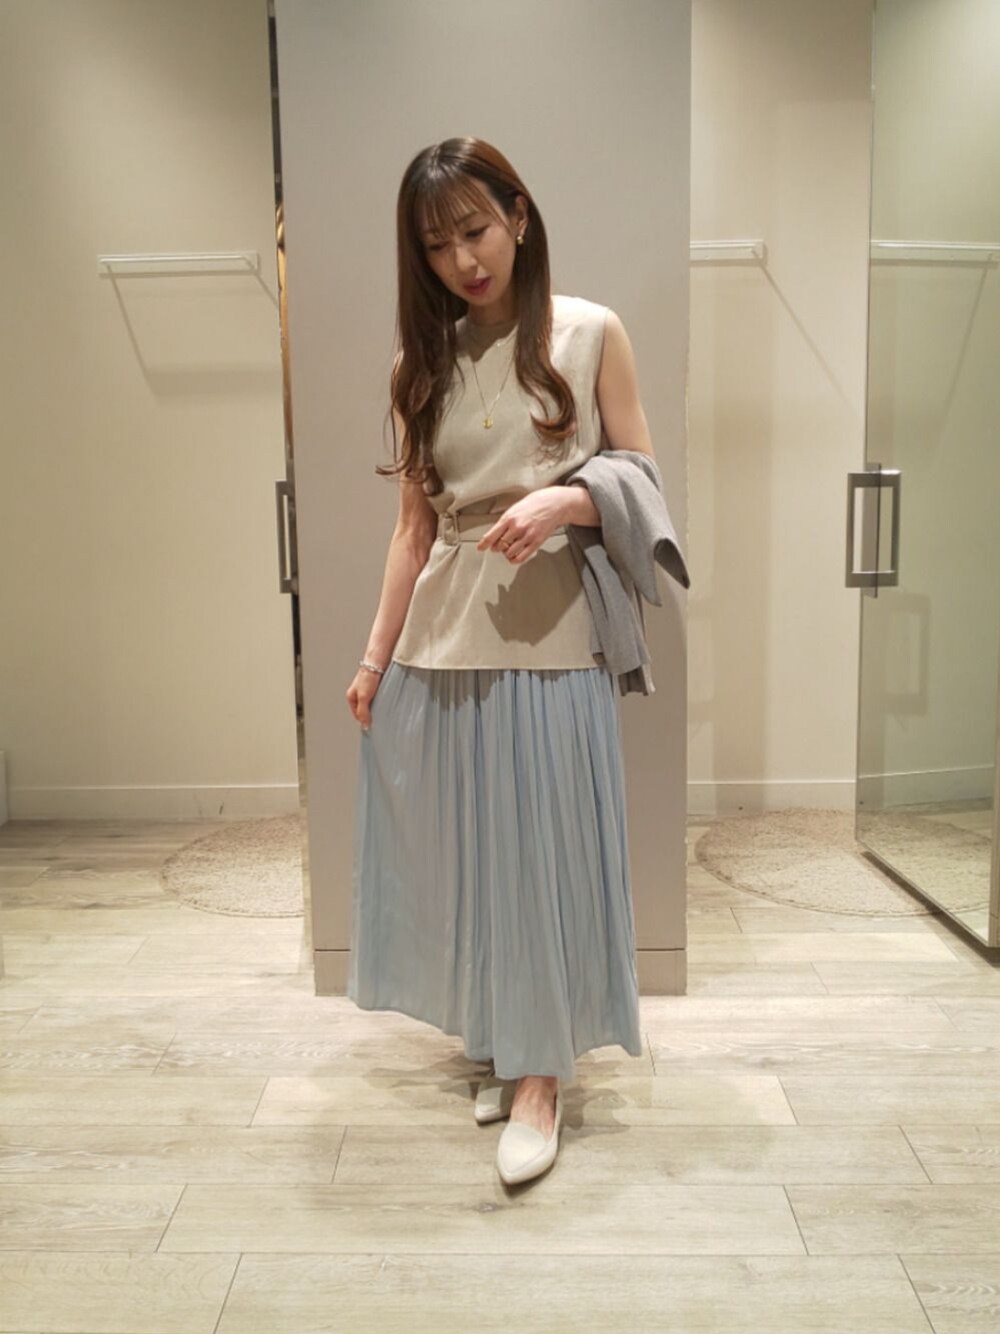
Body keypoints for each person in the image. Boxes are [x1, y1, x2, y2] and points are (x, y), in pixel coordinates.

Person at [345, 136, 658, 1186]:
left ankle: (541, 1077)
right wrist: (373, 659)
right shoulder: (418, 367)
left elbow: (642, 475)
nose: (463, 261)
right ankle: (506, 1036)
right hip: (445, 636)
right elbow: (411, 530)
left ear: (519, 216)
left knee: (544, 851)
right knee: (478, 856)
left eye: (475, 230)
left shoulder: (590, 331)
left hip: (553, 628)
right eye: (437, 246)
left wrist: (566, 499)